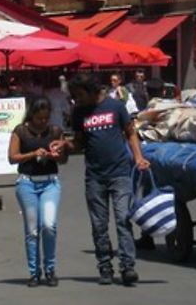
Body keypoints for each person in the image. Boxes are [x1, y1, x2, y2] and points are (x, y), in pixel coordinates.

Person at [52, 73, 149, 287]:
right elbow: (79, 143)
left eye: (79, 95)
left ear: (92, 91)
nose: (76, 100)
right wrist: (66, 145)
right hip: (95, 176)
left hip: (120, 173)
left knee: (123, 219)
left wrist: (139, 157)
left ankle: (127, 267)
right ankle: (105, 266)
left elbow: (130, 132)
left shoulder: (115, 107)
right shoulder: (79, 112)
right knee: (99, 225)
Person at [8, 96, 66, 287]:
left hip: (50, 183)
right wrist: (33, 154)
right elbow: (12, 157)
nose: (43, 122)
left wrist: (56, 155)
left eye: (46, 118)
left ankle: (50, 269)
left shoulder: (56, 131)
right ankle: (34, 272)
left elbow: (63, 159)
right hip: (27, 184)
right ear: (32, 115)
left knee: (49, 226)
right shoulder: (21, 131)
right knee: (32, 231)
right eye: (39, 118)